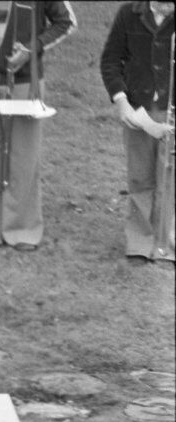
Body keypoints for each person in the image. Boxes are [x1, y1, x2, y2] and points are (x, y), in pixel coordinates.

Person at [0, 1, 76, 250]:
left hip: (25, 83)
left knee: (24, 156)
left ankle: (22, 229)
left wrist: (32, 48)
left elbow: (66, 22)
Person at [100, 1, 174, 263]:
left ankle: (166, 243)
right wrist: (121, 101)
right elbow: (110, 61)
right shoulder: (128, 13)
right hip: (138, 111)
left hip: (171, 109)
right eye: (162, 4)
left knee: (171, 179)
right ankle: (140, 242)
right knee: (140, 177)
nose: (167, 8)